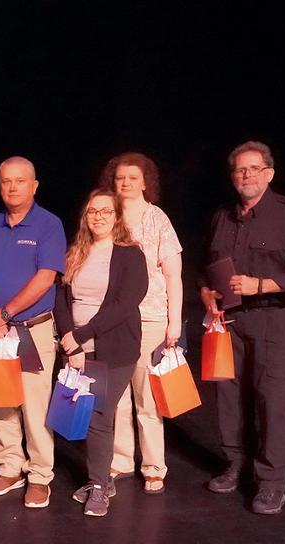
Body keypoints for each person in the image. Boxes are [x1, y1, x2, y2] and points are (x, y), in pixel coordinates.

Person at [200, 141, 285, 515]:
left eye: (254, 169)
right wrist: (206, 293)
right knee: (229, 398)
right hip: (230, 321)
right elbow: (209, 264)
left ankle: (271, 482)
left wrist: (261, 285)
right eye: (239, 170)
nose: (246, 175)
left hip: (273, 318)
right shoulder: (223, 216)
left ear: (269, 173)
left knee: (273, 400)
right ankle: (237, 463)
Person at [0, 156, 66, 508]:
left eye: (20, 181)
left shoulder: (48, 225)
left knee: (35, 406)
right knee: (0, 401)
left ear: (34, 185)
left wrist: (6, 312)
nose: (13, 187)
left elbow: (47, 277)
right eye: (6, 181)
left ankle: (40, 475)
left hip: (32, 329)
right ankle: (10, 466)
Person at [54, 189, 148, 517]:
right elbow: (61, 299)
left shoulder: (130, 254)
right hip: (78, 347)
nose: (99, 217)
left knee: (98, 416)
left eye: (106, 211)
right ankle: (100, 480)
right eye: (93, 211)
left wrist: (82, 336)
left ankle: (98, 485)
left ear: (117, 216)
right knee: (83, 414)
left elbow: (125, 303)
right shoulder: (76, 252)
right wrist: (70, 340)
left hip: (115, 348)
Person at [98, 152, 183, 494]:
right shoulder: (106, 216)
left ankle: (152, 466)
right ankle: (120, 460)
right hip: (113, 320)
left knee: (147, 397)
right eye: (120, 177)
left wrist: (173, 323)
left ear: (146, 182)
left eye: (133, 177)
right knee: (116, 396)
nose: (126, 183)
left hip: (149, 318)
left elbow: (173, 275)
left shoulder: (157, 218)